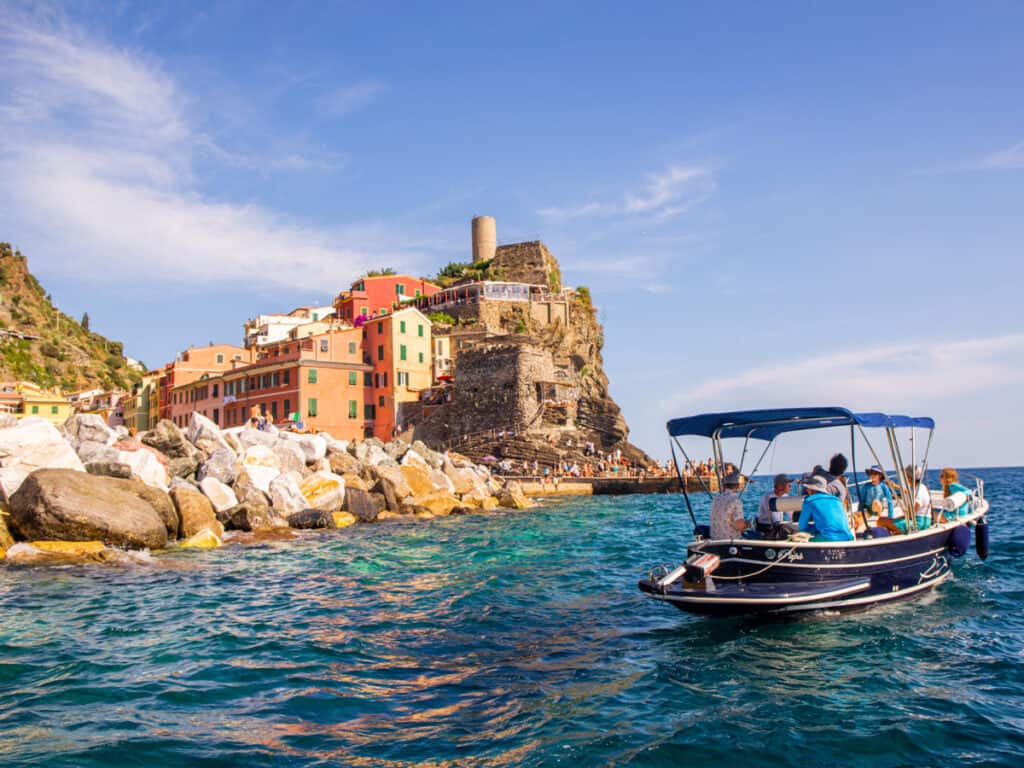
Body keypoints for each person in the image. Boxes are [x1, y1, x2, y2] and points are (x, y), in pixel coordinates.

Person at [798, 473, 855, 541]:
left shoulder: (809, 501)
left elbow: (802, 527)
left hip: (829, 538)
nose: (807, 490)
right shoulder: (836, 500)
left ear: (811, 489)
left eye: (807, 488)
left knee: (801, 537)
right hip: (848, 537)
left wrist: (813, 529)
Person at [887, 464, 932, 531]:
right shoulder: (921, 487)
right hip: (925, 521)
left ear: (909, 477)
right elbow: (907, 491)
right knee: (890, 521)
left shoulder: (918, 492)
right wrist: (895, 486)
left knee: (882, 521)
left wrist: (896, 519)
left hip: (917, 524)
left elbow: (911, 513)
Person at [710, 472, 748, 540]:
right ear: (738, 485)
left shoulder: (716, 499)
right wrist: (747, 524)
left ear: (724, 486)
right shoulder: (735, 500)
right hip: (730, 541)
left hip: (714, 539)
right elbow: (739, 526)